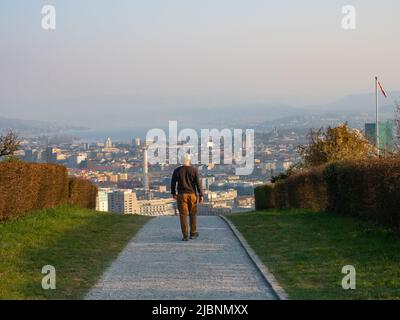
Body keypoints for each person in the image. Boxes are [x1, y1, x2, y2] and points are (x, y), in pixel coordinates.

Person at [171, 153, 204, 241]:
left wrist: (173, 193)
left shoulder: (177, 170)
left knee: (183, 215)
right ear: (189, 160)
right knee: (193, 214)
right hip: (192, 195)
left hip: (181, 195)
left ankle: (185, 235)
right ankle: (193, 233)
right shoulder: (194, 170)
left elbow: (173, 183)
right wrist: (201, 195)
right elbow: (198, 184)